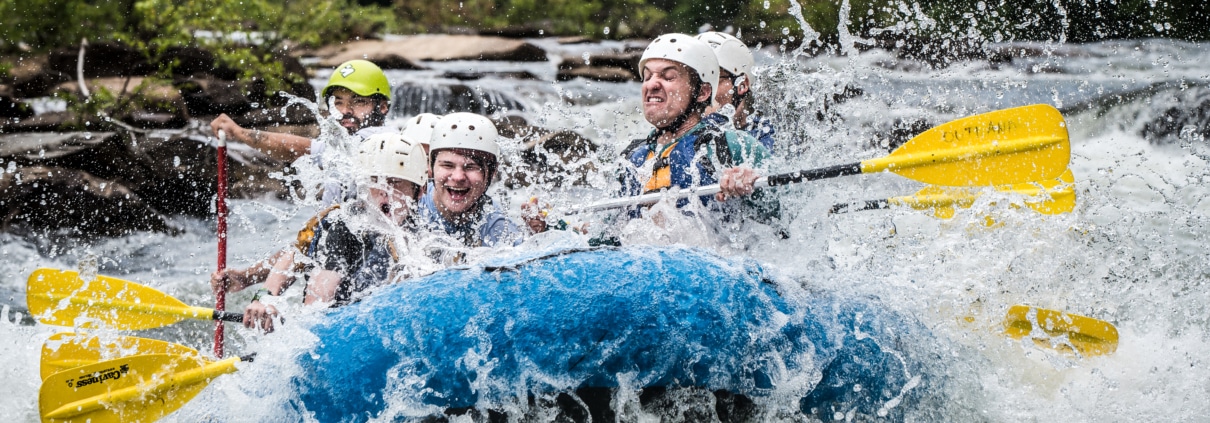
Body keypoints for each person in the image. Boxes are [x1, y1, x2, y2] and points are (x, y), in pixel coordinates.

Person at [213, 132, 429, 332]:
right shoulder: (346, 227)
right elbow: (315, 303)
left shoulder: (426, 226)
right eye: (374, 181)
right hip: (341, 333)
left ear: (419, 191)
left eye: (394, 183)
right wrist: (265, 299)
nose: (384, 192)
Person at [588, 33, 779, 245]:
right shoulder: (633, 158)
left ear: (703, 92)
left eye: (668, 77)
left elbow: (784, 217)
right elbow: (599, 235)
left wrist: (751, 187)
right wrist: (551, 227)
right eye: (647, 77)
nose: (652, 85)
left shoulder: (733, 145)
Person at [209, 59, 395, 162]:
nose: (345, 110)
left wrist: (240, 133)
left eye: (359, 101)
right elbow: (295, 149)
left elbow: (297, 149)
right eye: (338, 102)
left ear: (383, 107)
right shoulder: (344, 146)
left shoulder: (387, 144)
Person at [418, 113, 526, 248]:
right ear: (430, 167)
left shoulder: (500, 232)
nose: (458, 177)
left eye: (471, 167)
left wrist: (536, 237)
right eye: (447, 165)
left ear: (492, 173)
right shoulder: (407, 205)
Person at [696, 32, 778, 152]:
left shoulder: (764, 134)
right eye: (694, 82)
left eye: (712, 79)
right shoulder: (671, 130)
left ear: (741, 85)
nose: (700, 92)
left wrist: (713, 121)